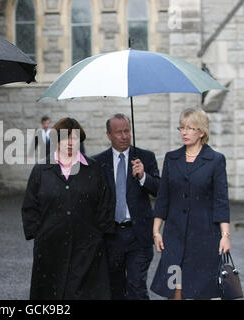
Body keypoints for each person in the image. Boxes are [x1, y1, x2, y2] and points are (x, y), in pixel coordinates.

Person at [22, 117, 114, 299]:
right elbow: (30, 206)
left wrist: (98, 234)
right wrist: (40, 234)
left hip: (87, 250)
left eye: (75, 138)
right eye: (65, 138)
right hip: (50, 248)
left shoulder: (94, 169)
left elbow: (106, 203)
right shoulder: (42, 170)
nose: (70, 143)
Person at [150, 107, 231, 300]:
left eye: (190, 128)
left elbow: (221, 201)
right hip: (174, 238)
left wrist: (225, 235)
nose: (184, 132)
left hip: (204, 239)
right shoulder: (172, 158)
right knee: (173, 291)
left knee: (199, 293)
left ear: (202, 132)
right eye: (181, 128)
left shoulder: (216, 160)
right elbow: (163, 197)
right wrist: (156, 232)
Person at [92, 113, 160, 300]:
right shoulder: (98, 162)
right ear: (108, 135)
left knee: (136, 286)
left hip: (138, 235)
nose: (124, 136)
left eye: (127, 131)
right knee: (115, 289)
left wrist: (143, 177)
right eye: (119, 132)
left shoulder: (145, 157)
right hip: (111, 235)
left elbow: (159, 190)